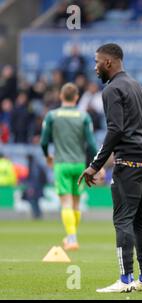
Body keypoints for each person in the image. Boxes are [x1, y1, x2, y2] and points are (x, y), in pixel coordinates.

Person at [78, 43, 142, 293]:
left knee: (123, 220)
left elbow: (116, 130)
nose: (95, 67)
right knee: (139, 221)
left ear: (109, 63)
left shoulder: (112, 90)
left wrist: (94, 165)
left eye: (97, 62)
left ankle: (125, 280)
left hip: (130, 162)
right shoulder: (138, 86)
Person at [40, 83, 98, 250]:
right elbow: (92, 143)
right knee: (76, 204)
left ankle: (72, 238)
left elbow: (44, 141)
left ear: (61, 96)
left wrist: (47, 156)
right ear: (77, 97)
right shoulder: (84, 116)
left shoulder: (52, 115)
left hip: (62, 163)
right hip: (79, 165)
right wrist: (96, 163)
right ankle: (71, 236)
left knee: (65, 203)